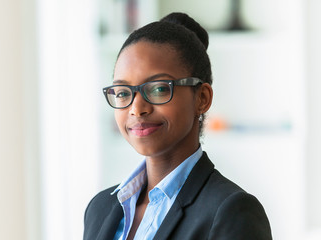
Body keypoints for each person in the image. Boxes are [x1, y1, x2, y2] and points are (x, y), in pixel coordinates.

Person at [84, 12, 272, 240]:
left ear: (202, 98)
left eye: (159, 89)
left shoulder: (231, 211)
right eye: (123, 93)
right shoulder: (99, 209)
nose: (136, 108)